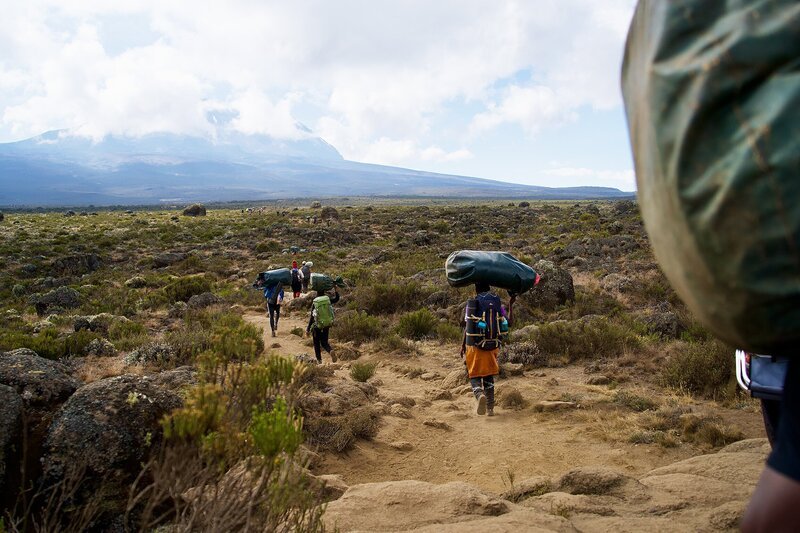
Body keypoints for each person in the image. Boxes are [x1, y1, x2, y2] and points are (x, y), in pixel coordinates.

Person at [460, 282, 515, 416]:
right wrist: (511, 304)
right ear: (489, 288)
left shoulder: (472, 304)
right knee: (488, 375)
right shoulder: (498, 305)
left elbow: (467, 326)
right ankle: (490, 409)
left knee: (474, 375)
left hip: (474, 346)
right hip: (492, 346)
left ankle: (479, 395)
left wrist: (462, 346)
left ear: (476, 290)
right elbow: (510, 323)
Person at [306, 288, 340, 364]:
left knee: (316, 343)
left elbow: (312, 317)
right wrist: (336, 290)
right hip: (326, 324)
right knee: (324, 342)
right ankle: (330, 350)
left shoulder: (316, 302)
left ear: (317, 293)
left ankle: (319, 360)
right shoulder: (327, 300)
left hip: (317, 326)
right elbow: (336, 299)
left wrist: (308, 329)